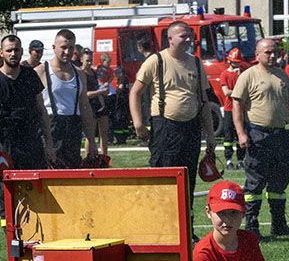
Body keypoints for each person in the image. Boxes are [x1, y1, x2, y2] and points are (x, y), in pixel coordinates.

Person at [129, 21, 216, 206]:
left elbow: (204, 102)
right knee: (164, 179)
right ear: (170, 39)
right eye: (183, 36)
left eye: (190, 36)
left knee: (188, 179)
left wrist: (210, 135)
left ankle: (187, 228)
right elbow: (135, 92)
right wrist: (138, 123)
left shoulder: (196, 62)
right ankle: (164, 229)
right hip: (165, 128)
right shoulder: (156, 61)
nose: (188, 39)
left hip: (191, 127)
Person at [231, 38, 289, 239]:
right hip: (257, 134)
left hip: (280, 134)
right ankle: (251, 225)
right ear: (257, 55)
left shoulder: (283, 76)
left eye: (274, 52)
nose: (272, 56)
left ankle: (279, 225)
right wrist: (241, 133)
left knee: (280, 182)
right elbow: (237, 105)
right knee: (255, 181)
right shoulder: (248, 76)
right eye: (268, 52)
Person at [0, 35, 55, 226]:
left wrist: (49, 144)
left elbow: (42, 110)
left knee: (34, 189)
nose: (13, 53)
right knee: (8, 195)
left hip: (31, 141)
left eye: (16, 50)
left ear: (22, 51)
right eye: (9, 50)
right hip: (6, 145)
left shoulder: (29, 75)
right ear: (2, 53)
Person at [36, 29, 97, 168]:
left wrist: (91, 141)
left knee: (72, 174)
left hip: (73, 128)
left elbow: (85, 107)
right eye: (63, 47)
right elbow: (35, 108)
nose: (67, 52)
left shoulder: (80, 74)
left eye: (71, 48)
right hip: (50, 127)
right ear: (53, 48)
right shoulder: (41, 71)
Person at [219, 47, 246, 170]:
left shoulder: (243, 74)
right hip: (229, 109)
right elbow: (226, 92)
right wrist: (239, 92)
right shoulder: (225, 74)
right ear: (230, 62)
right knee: (228, 136)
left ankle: (241, 160)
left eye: (239, 62)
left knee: (240, 134)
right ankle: (229, 159)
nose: (238, 65)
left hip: (241, 109)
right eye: (236, 62)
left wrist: (241, 78)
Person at [81, 49, 109, 157]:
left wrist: (103, 93)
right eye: (87, 60)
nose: (89, 63)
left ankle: (104, 157)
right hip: (89, 105)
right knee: (90, 135)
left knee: (104, 134)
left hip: (99, 104)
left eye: (91, 60)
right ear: (82, 59)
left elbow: (98, 86)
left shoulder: (93, 72)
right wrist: (100, 92)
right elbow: (85, 94)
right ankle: (89, 158)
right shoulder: (81, 73)